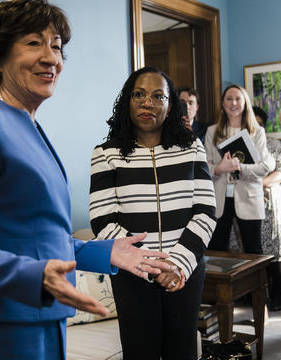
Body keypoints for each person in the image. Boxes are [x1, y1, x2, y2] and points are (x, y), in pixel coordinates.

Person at [0, 2, 173, 359]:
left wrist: (107, 251)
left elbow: (38, 237)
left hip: (47, 314)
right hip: (2, 325)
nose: (51, 58)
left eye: (57, 46)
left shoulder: (30, 126)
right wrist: (36, 277)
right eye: (34, 43)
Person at [89, 66, 217, 360]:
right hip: (132, 274)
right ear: (127, 101)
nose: (148, 103)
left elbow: (205, 212)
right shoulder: (106, 154)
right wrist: (152, 266)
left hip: (183, 271)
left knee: (182, 352)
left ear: (171, 105)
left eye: (158, 96)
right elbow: (103, 221)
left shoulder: (191, 148)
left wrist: (178, 265)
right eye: (139, 94)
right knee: (140, 353)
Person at [204, 85, 275, 254]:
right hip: (220, 200)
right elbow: (204, 166)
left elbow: (264, 167)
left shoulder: (257, 132)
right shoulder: (211, 131)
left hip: (249, 198)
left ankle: (256, 282)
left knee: (254, 250)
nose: (233, 103)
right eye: (229, 99)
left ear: (245, 103)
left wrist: (239, 167)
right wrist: (220, 168)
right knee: (217, 249)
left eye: (238, 99)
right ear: (222, 103)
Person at [253, 106, 281, 311]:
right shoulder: (239, 143)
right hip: (246, 202)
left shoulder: (273, 143)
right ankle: (250, 295)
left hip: (272, 202)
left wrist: (258, 184)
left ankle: (278, 294)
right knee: (250, 253)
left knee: (273, 251)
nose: (257, 126)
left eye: (261, 123)